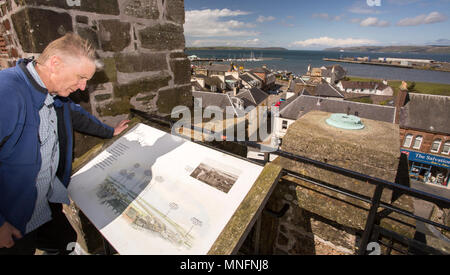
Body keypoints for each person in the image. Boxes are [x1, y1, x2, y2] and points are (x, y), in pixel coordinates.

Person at [0, 33, 130, 254]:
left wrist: (110, 131)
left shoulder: (56, 95)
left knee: (67, 243)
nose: (82, 87)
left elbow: (78, 116)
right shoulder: (7, 91)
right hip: (12, 220)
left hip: (43, 208)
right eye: (80, 77)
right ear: (55, 64)